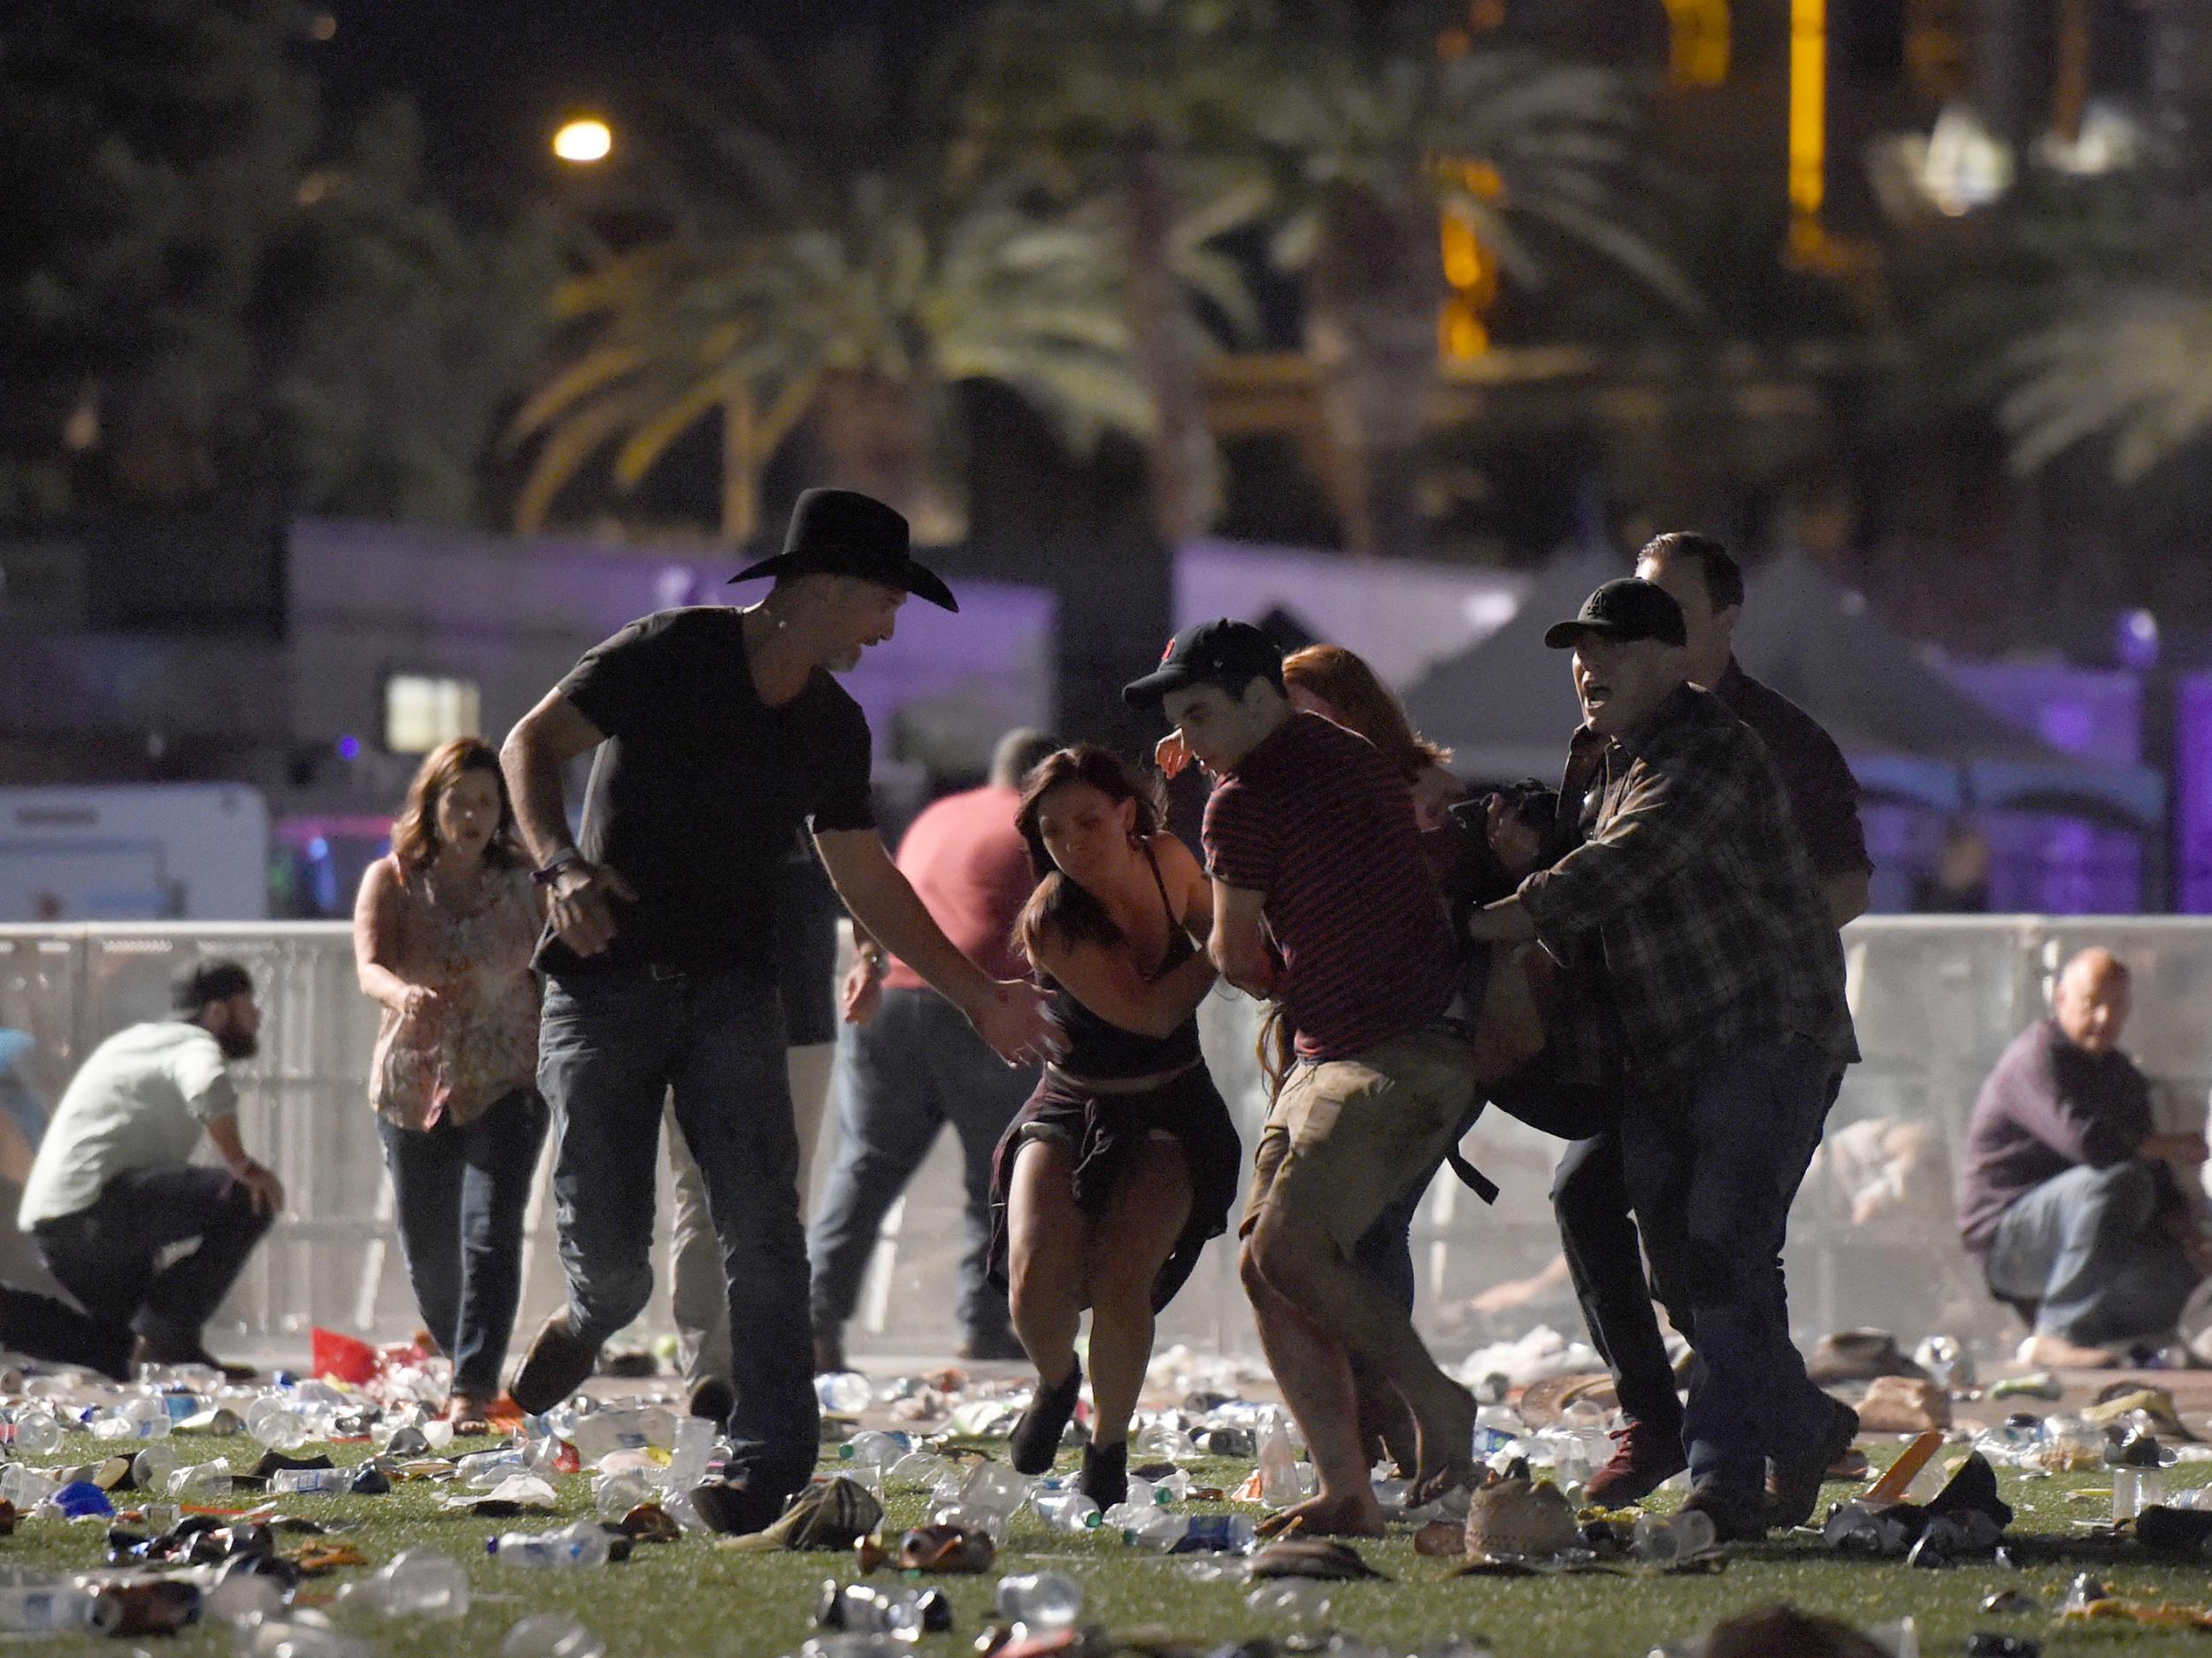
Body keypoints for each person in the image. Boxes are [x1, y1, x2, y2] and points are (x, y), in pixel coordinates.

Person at [498, 487, 1058, 1536]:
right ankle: (586, 1316)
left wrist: (978, 990)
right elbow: (529, 745)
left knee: (766, 1228)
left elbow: (866, 871)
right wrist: (559, 866)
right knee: (616, 1268)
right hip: (605, 983)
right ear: (824, 589)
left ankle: (765, 1462)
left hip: (733, 991)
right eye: (881, 605)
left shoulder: (830, 722)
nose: (888, 628)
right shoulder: (666, 651)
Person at [1468, 578, 1859, 1541]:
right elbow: (1595, 880)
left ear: (1674, 660)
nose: (1587, 668)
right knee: (1686, 1271)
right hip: (1662, 1051)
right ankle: (1803, 1423)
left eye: (1611, 649)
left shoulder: (1712, 748)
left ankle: (1721, 1487)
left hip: (1761, 1032)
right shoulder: (1608, 760)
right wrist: (1528, 860)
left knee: (1720, 1249)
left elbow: (1620, 867)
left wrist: (1474, 924)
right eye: (1578, 651)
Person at [1131, 619, 1479, 1537]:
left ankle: (1433, 1405)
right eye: (1179, 721)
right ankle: (1347, 1489)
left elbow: (1234, 949)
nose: (1193, 740)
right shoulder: (1349, 753)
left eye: (1203, 714)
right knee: (1265, 1263)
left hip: (1378, 1049)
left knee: (1284, 1251)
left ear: (1261, 695)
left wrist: (1266, 967)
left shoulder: (1237, 803)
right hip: (1395, 1043)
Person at [988, 745, 1241, 1507]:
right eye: (1054, 829)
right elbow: (1152, 1007)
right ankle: (1058, 1381)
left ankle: (1108, 1447)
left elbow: (1216, 918)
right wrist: (1228, 943)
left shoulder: (1167, 858)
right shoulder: (1053, 918)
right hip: (1072, 1099)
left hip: (1171, 1100)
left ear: (1127, 814)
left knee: (1121, 1276)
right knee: (1036, 1281)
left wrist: (1243, 933)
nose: (1071, 844)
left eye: (1088, 822)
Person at [809, 728, 1061, 1374]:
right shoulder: (1040, 827)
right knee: (999, 1175)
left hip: (892, 997)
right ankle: (985, 1326)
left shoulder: (941, 814)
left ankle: (814, 1322)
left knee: (866, 1167)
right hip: (982, 1000)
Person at [353, 737, 549, 1435]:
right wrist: (403, 995)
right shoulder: (394, 880)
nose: (471, 816)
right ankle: (461, 1347)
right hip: (416, 1082)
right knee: (431, 1251)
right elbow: (368, 964)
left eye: (485, 803)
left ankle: (471, 1386)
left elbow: (553, 968)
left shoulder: (525, 885)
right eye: (457, 801)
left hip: (507, 1077)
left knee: (490, 1231)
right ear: (431, 807)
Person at [18, 960, 281, 1381]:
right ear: (216, 1012)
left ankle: (9, 1315)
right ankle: (170, 1339)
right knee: (249, 1197)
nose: (257, 1017)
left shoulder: (134, 1042)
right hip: (95, 1208)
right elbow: (208, 1086)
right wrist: (243, 1165)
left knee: (119, 1353)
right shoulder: (193, 1044)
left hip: (56, 1227)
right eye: (248, 1004)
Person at [1957, 948, 2208, 1368]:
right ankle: (2057, 1333)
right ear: (2061, 1000)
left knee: (2179, 1273)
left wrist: (2193, 1238)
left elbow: (2157, 1180)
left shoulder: (2120, 1073)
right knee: (2119, 1181)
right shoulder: (2036, 1058)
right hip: (2010, 1239)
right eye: (2092, 1004)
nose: (2105, 1019)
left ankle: (2101, 1339)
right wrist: (2167, 1145)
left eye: (2116, 1006)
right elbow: (2089, 1145)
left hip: (2079, 1229)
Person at [665, 833, 843, 1424]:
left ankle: (734, 1370)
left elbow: (861, 867)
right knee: (724, 1194)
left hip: (787, 1013)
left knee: (752, 1199)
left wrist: (869, 953)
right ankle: (725, 1373)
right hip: (711, 1011)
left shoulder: (808, 778)